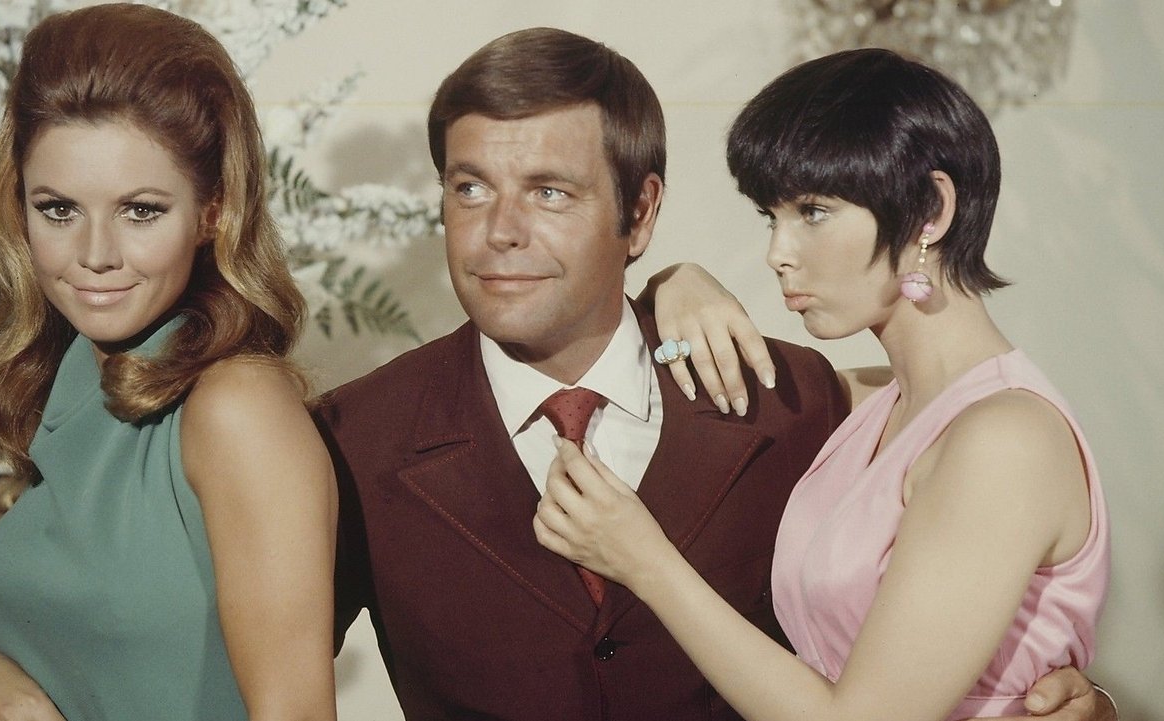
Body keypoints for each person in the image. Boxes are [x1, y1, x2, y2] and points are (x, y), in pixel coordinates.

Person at [314, 30, 1105, 721]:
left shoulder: (800, 402)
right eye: (469, 188)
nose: (500, 231)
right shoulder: (352, 437)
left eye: (550, 192)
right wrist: (674, 280)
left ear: (640, 213)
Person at [534, 48, 1110, 721]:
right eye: (771, 216)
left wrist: (645, 561)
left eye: (813, 212)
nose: (777, 254)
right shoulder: (873, 402)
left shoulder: (1005, 440)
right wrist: (677, 279)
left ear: (930, 210)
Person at [0, 4, 337, 721]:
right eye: (58, 209)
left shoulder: (238, 408)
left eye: (141, 211)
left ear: (213, 212)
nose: (95, 254)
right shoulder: (72, 378)